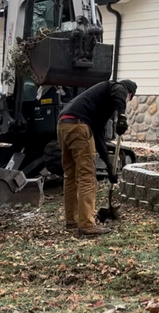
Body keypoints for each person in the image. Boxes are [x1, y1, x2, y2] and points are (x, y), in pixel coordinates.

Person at [57, 78, 137, 237]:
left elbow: (99, 135)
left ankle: (71, 221)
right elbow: (119, 91)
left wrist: (109, 166)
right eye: (130, 97)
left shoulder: (98, 104)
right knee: (87, 176)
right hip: (79, 126)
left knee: (70, 176)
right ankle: (86, 225)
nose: (126, 100)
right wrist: (122, 116)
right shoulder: (116, 87)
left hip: (63, 125)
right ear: (129, 94)